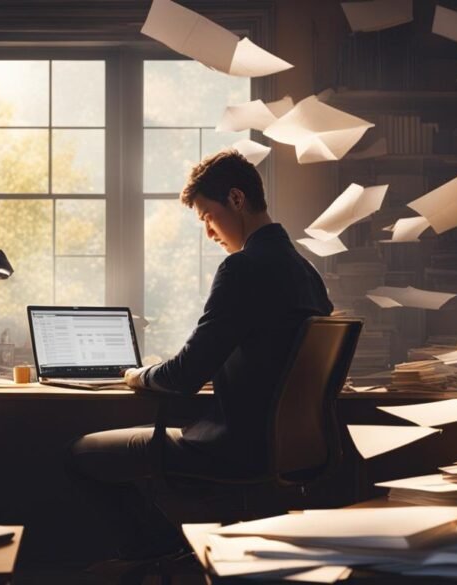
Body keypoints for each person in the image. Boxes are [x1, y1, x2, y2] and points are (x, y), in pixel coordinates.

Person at [69, 150, 334, 562]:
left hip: (236, 446)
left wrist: (136, 374)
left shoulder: (243, 268)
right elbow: (271, 357)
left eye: (207, 216)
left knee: (83, 452)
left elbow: (183, 376)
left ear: (236, 199)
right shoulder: (307, 272)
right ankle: (182, 552)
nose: (209, 232)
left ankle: (166, 551)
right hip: (291, 448)